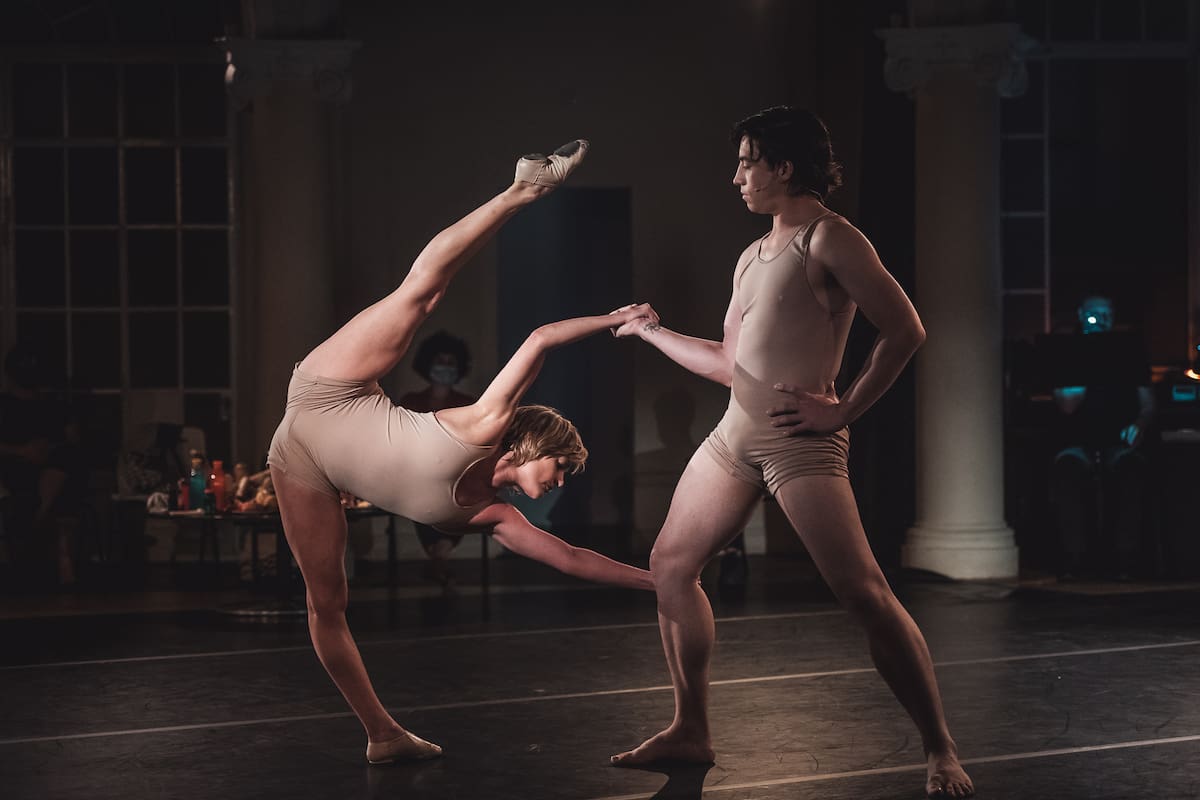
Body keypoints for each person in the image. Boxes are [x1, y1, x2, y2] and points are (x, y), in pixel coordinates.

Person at [608, 107, 973, 798]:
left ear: (783, 166)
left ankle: (940, 748)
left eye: (748, 162)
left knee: (863, 594)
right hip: (732, 440)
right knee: (670, 565)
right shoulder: (752, 256)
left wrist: (842, 410)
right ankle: (691, 727)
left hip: (798, 447)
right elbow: (727, 361)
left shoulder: (832, 240)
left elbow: (906, 330)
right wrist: (651, 333)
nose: (736, 176)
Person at [267, 139, 655, 766]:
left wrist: (659, 580)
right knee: (423, 294)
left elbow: (571, 559)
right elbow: (539, 340)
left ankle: (382, 734)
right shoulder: (485, 422)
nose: (561, 483)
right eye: (560, 468)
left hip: (300, 457)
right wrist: (612, 319)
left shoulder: (493, 515)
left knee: (327, 604)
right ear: (534, 446)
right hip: (330, 389)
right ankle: (522, 189)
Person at [1049, 295, 1154, 580]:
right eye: (1095, 314)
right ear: (1082, 315)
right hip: (1077, 442)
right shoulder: (1067, 351)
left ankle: (1125, 560)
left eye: (1107, 314)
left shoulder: (1129, 352)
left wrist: (1139, 425)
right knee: (1068, 472)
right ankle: (1075, 560)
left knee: (1132, 472)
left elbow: (1146, 403)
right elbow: (1067, 405)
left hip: (1119, 441)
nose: (1101, 320)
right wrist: (1088, 358)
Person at [398, 331, 477, 589]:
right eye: (439, 361)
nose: (444, 367)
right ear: (428, 364)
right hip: (418, 476)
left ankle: (438, 559)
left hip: (458, 476)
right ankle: (439, 560)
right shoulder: (411, 402)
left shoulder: (468, 405)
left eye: (450, 362)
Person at [0, 345, 85, 586]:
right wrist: (22, 451)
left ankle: (37, 517)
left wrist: (48, 449)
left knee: (68, 465)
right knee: (52, 485)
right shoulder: (3, 405)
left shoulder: (55, 405)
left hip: (54, 470)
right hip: (15, 468)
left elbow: (73, 441)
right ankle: (57, 551)